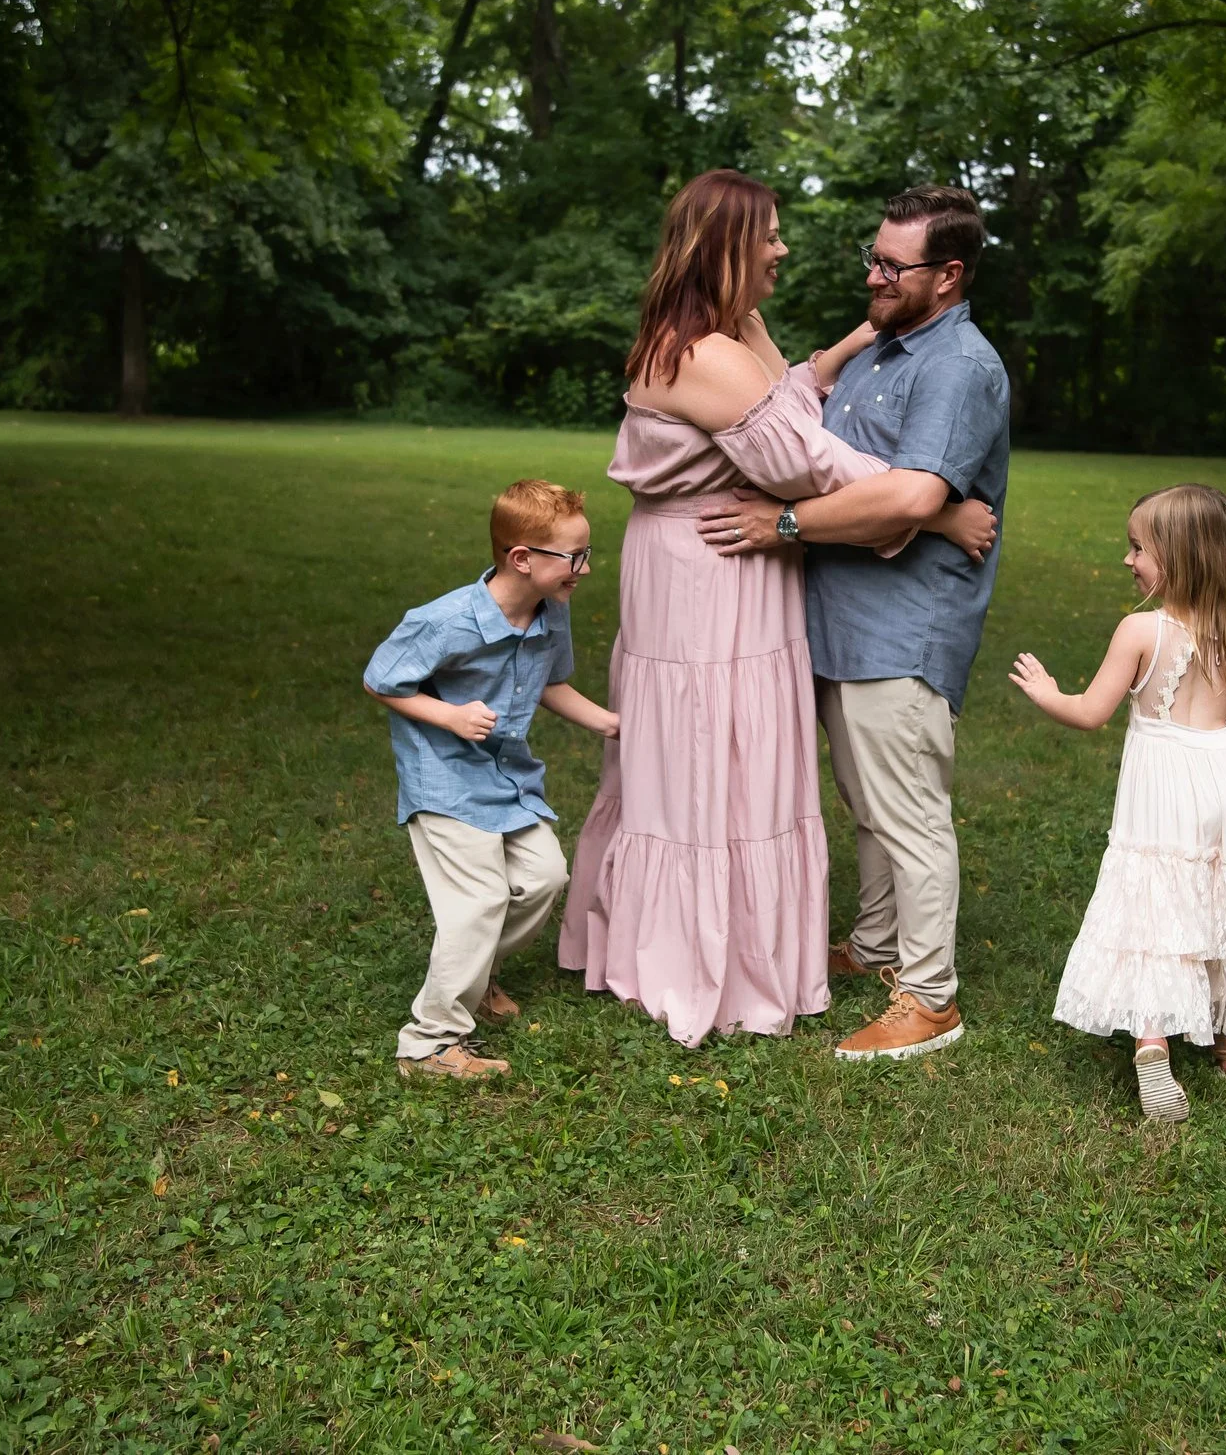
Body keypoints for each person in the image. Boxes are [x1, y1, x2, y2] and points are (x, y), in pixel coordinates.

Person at [561, 170, 997, 1048]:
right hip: (714, 568)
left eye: (888, 262)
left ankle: (830, 954)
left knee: (719, 754)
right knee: (709, 751)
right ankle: (706, 953)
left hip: (724, 559)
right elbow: (808, 457)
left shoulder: (727, 332)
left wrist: (835, 352)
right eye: (770, 235)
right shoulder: (705, 353)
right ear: (726, 245)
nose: (784, 249)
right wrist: (931, 505)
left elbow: (791, 400)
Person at [698, 185, 1012, 1061]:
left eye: (890, 264)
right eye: (871, 256)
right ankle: (875, 948)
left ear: (948, 276)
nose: (871, 274)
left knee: (908, 812)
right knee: (869, 804)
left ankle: (929, 997)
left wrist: (785, 525)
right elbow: (833, 460)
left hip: (904, 627)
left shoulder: (957, 364)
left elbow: (909, 494)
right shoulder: (884, 346)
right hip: (839, 619)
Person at [1005, 483, 1226, 1122]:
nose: (1128, 560)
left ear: (1181, 558)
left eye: (1138, 548)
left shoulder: (1143, 630)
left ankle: (1153, 1042)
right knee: (1222, 893)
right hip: (1224, 787)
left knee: (1155, 902)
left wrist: (1049, 692)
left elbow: (1089, 713)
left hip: (1161, 791)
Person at [363, 480, 620, 1080]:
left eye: (586, 553)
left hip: (507, 776)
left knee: (542, 877)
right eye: (572, 557)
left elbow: (551, 684)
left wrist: (609, 723)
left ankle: (474, 973)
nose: (584, 568)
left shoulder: (552, 613)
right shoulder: (445, 621)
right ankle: (429, 1044)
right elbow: (381, 679)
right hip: (444, 777)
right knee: (480, 900)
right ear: (522, 558)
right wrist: (450, 715)